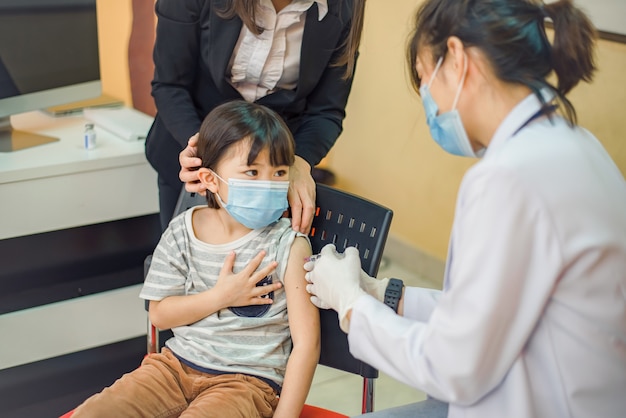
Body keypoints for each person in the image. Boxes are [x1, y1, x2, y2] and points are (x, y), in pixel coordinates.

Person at [304, 0, 626, 417]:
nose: (427, 100)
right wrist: (382, 294)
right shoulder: (576, 144)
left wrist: (350, 303)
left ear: (456, 58)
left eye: (425, 79)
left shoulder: (508, 178)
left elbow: (451, 366)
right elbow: (488, 310)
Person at [73, 101, 320, 417]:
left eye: (280, 172)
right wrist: (221, 297)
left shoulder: (288, 244)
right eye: (252, 172)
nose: (269, 183)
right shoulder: (182, 231)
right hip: (172, 369)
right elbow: (160, 315)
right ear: (211, 180)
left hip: (247, 383)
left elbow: (306, 345)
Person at [148, 0, 366, 233]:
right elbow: (170, 85)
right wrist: (204, 148)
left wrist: (299, 162)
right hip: (192, 157)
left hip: (271, 180)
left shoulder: (343, 8)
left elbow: (325, 111)